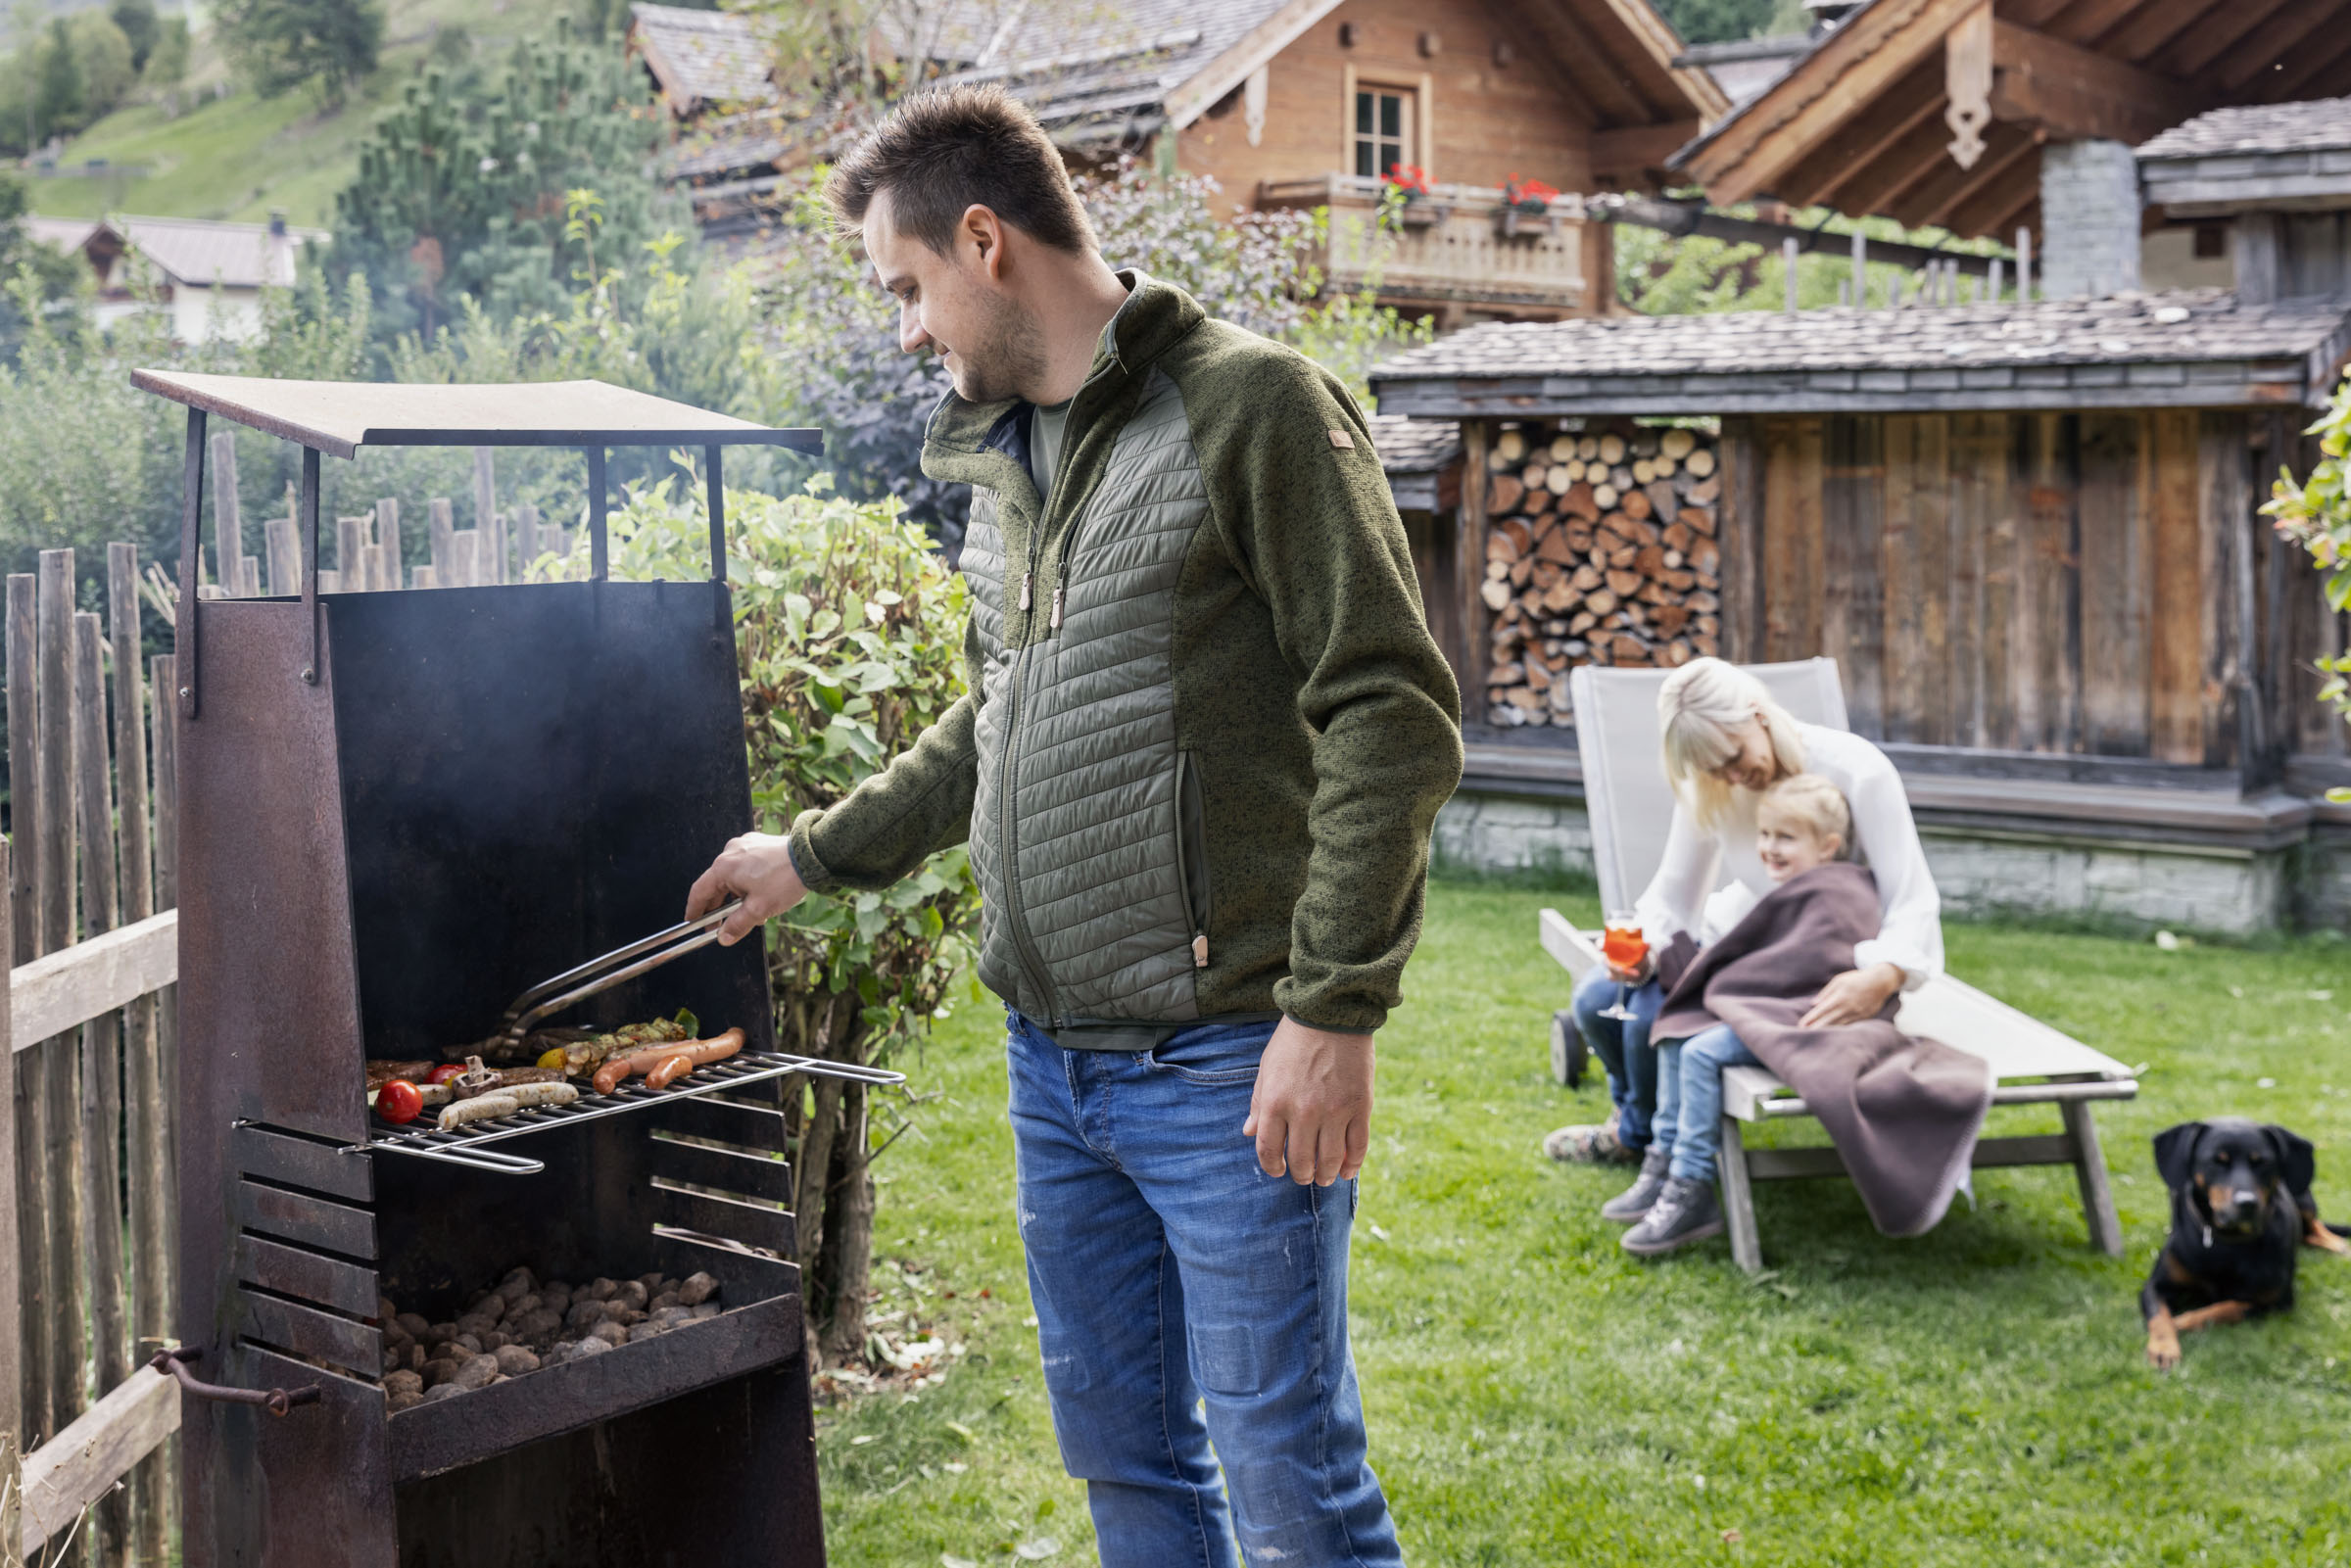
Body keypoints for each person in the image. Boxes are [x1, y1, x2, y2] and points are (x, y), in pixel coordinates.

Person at [684, 85, 1462, 1568]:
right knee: (1132, 1472)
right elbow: (1003, 721)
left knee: (1291, 1483)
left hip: (1226, 1059)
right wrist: (814, 855)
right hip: (1055, 1068)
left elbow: (1391, 712)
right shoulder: (1009, 463)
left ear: (985, 241)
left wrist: (1334, 1009)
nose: (907, 328)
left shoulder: (1254, 409)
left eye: (907, 288)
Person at [1548, 659, 1943, 1221]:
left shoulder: (1855, 769)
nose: (1733, 778)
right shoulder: (1715, 780)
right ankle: (1636, 1130)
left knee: (1655, 1018)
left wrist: (1882, 976)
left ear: (1759, 716)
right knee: (1597, 1000)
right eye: (1715, 770)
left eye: (1735, 758)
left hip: (1814, 971)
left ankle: (1656, 1150)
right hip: (1745, 948)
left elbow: (1913, 898)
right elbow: (1674, 896)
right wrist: (1648, 952)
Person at [1620, 772, 1851, 1256]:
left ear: (1827, 846)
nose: (1769, 848)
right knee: (1676, 1026)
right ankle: (1661, 1160)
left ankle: (1692, 1186)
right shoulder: (1778, 889)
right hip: (1763, 1012)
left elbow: (1812, 972)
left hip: (1801, 1026)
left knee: (1703, 1052)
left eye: (1785, 838)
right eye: (1764, 835)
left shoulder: (1835, 895)